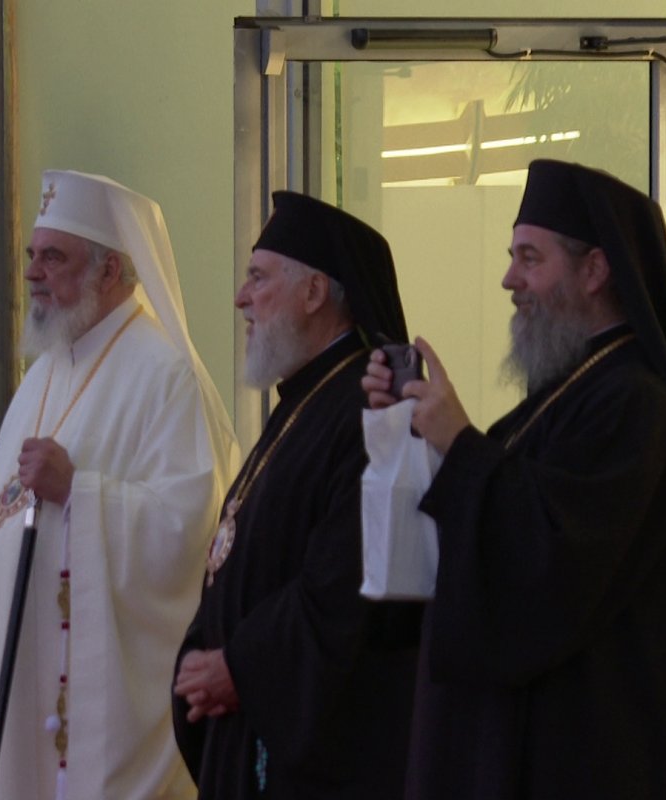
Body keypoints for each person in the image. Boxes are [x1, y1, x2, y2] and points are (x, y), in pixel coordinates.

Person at [362, 159, 666, 799]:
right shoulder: (575, 390)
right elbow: (501, 511)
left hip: (585, 746)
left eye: (530, 259)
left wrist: (459, 444)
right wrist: (417, 432)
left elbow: (555, 557)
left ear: (594, 270)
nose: (509, 280)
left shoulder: (634, 403)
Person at [0, 170, 239, 799]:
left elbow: (191, 530)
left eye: (54, 257)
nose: (31, 273)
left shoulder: (166, 375)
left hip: (91, 700)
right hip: (15, 671)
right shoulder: (46, 370)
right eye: (32, 255)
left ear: (111, 270)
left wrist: (81, 491)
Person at [172, 192, 420, 798]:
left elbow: (349, 581)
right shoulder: (304, 401)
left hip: (315, 759)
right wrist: (202, 656)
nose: (241, 298)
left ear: (313, 293)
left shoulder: (371, 410)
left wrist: (240, 667)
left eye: (258, 278)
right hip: (245, 729)